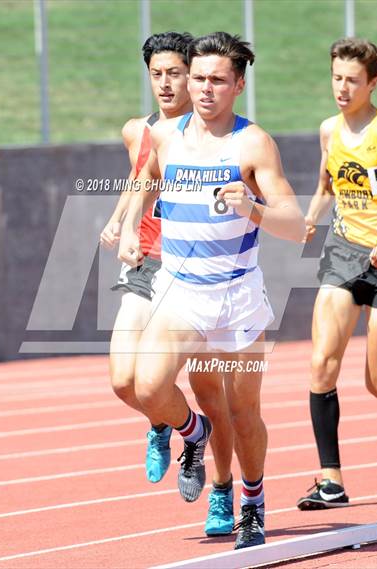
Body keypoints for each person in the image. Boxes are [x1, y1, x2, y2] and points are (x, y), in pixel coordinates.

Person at [119, 31, 305, 549]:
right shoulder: (166, 135)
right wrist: (133, 225)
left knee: (245, 414)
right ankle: (194, 434)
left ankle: (253, 501)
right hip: (180, 293)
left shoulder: (253, 143)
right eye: (197, 77)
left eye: (217, 80)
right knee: (148, 388)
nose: (204, 89)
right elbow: (145, 179)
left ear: (238, 84)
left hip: (236, 300)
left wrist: (253, 209)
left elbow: (296, 225)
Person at [100, 32, 235, 537]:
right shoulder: (141, 130)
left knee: (210, 390)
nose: (165, 83)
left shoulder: (215, 134)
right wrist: (123, 224)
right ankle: (177, 427)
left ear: (193, 74)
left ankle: (221, 495)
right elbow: (141, 179)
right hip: (148, 265)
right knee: (123, 381)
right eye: (155, 73)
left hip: (199, 273)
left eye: (174, 73)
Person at [297, 38, 377, 511]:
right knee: (322, 363)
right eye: (336, 78)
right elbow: (327, 186)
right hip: (342, 254)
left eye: (352, 81)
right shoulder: (329, 130)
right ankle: (331, 482)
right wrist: (309, 217)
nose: (342, 89)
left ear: (373, 84)